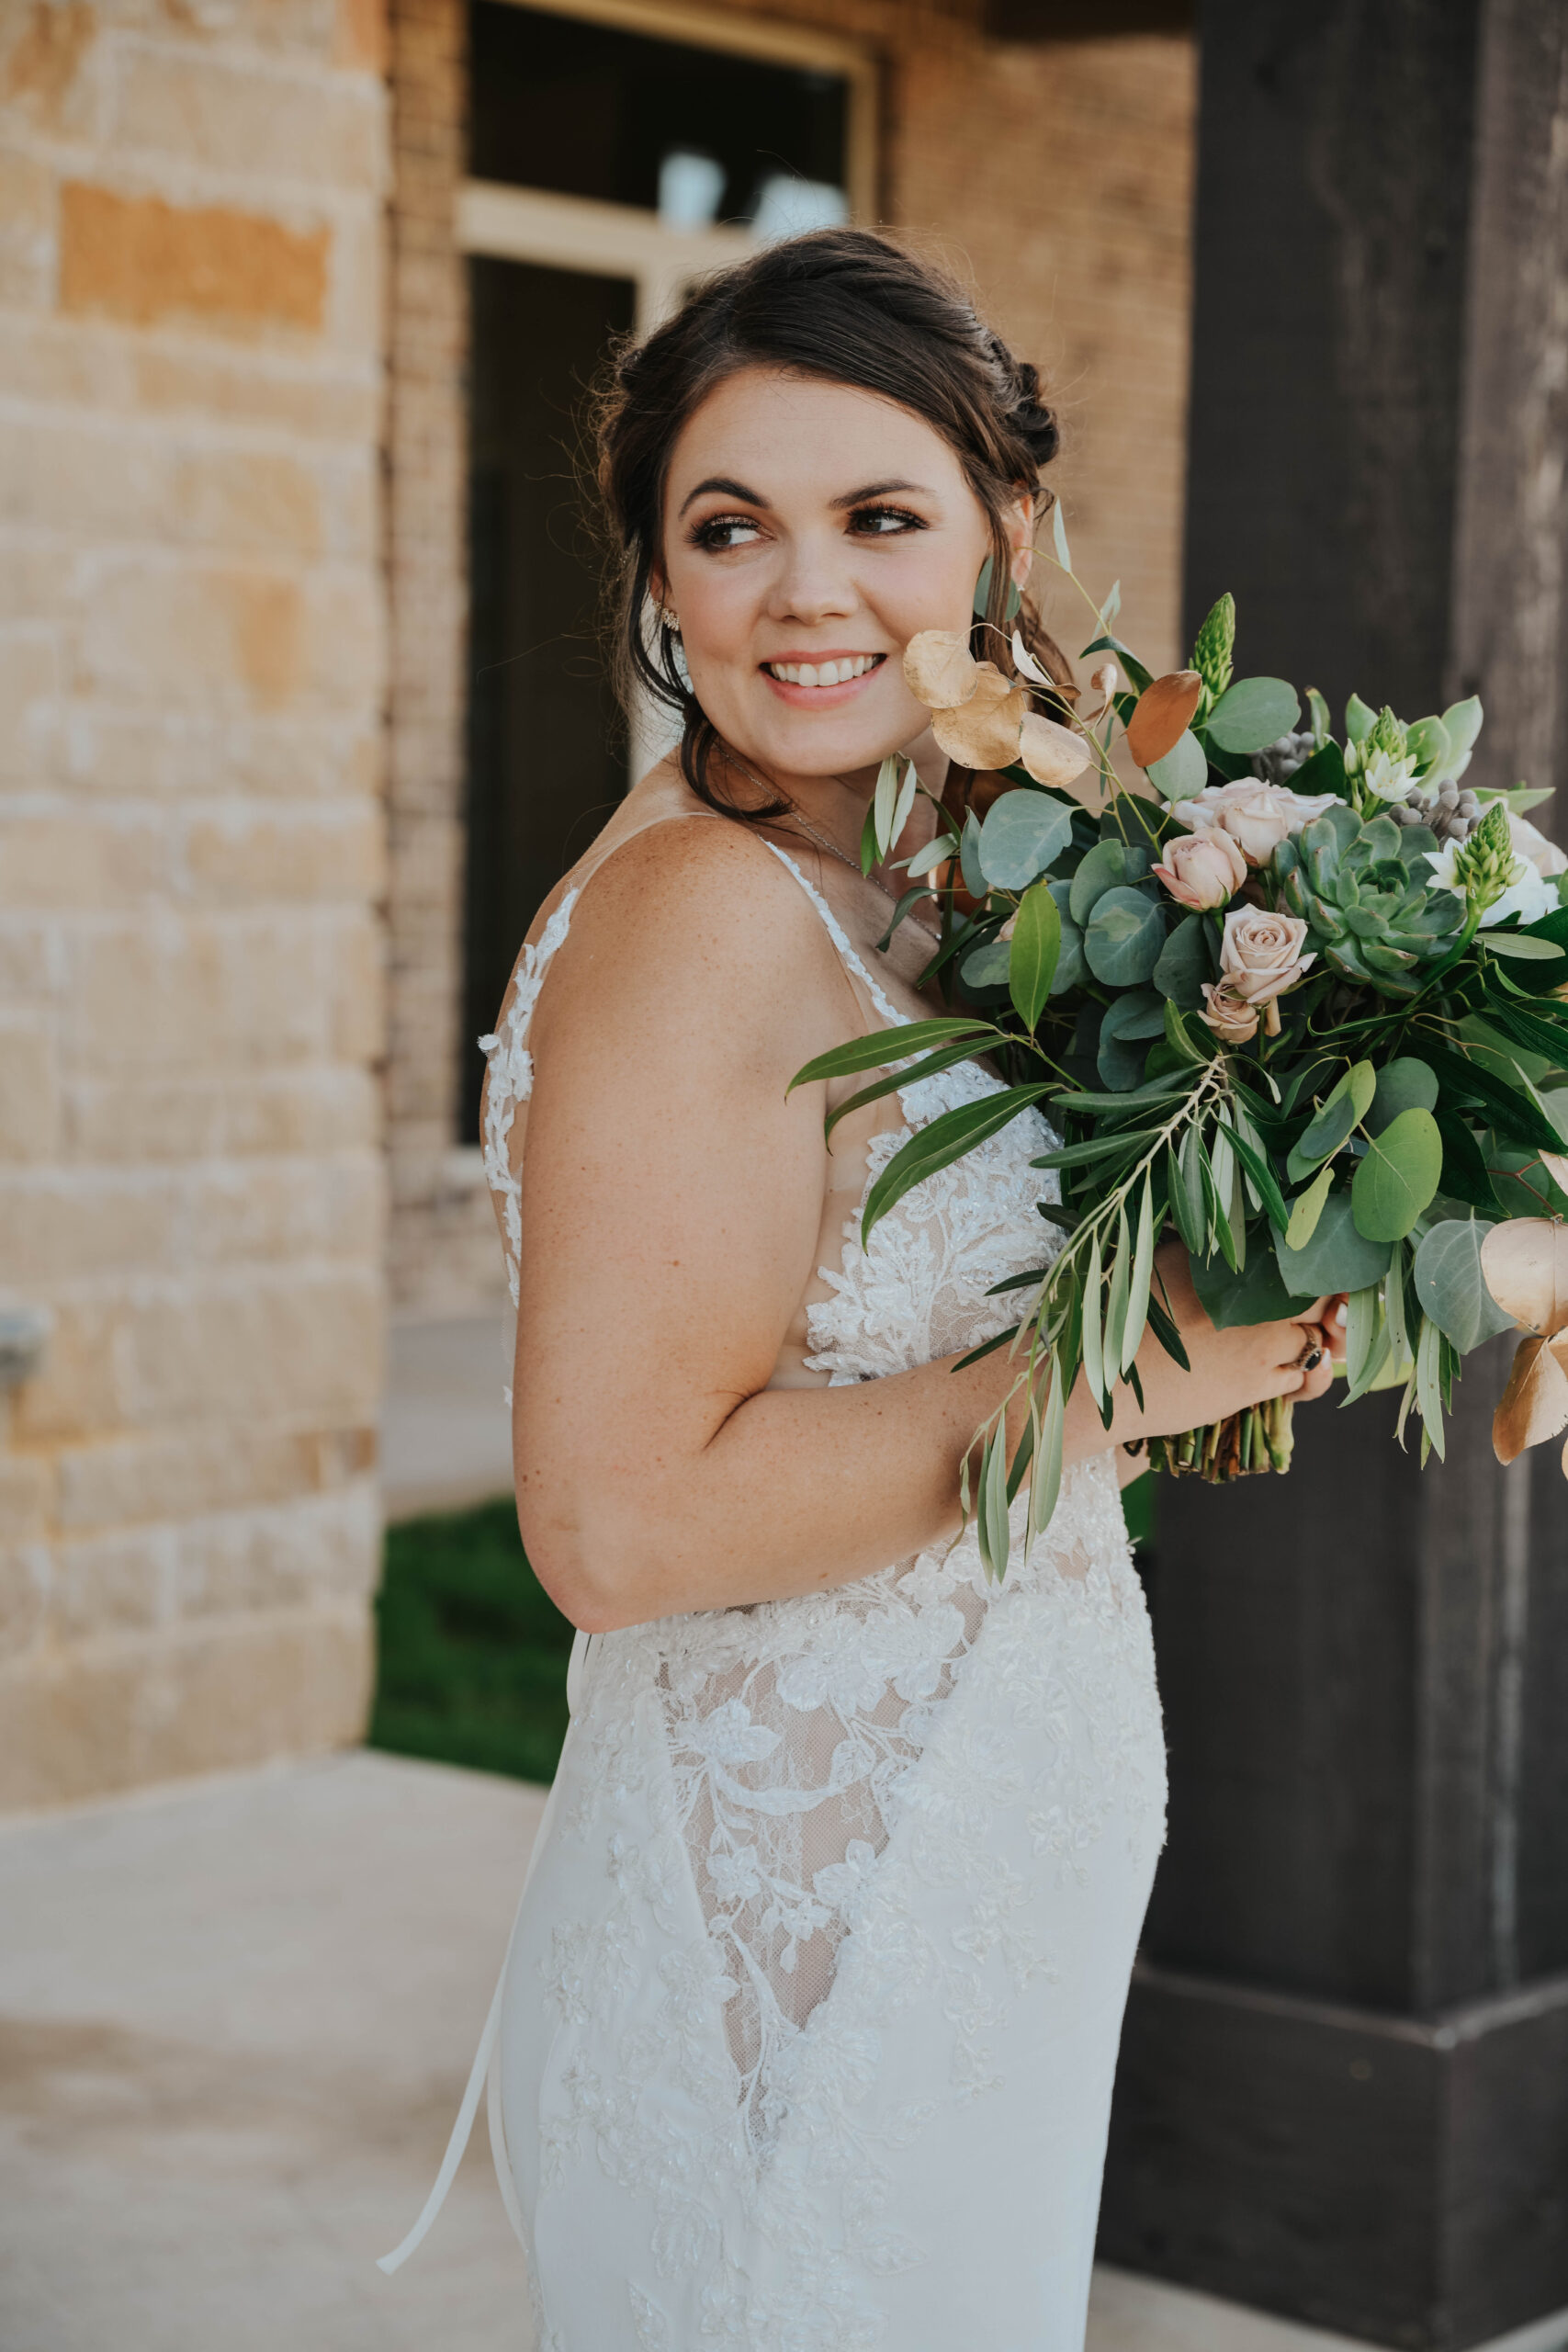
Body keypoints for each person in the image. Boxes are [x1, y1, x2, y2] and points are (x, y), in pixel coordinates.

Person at [385, 229, 1341, 2350]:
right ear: (657, 576)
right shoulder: (705, 920)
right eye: (730, 529)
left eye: (876, 519)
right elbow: (611, 1523)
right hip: (796, 1923)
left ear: (1002, 537)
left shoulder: (929, 875)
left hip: (964, 1852)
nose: (804, 592)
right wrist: (1116, 1374)